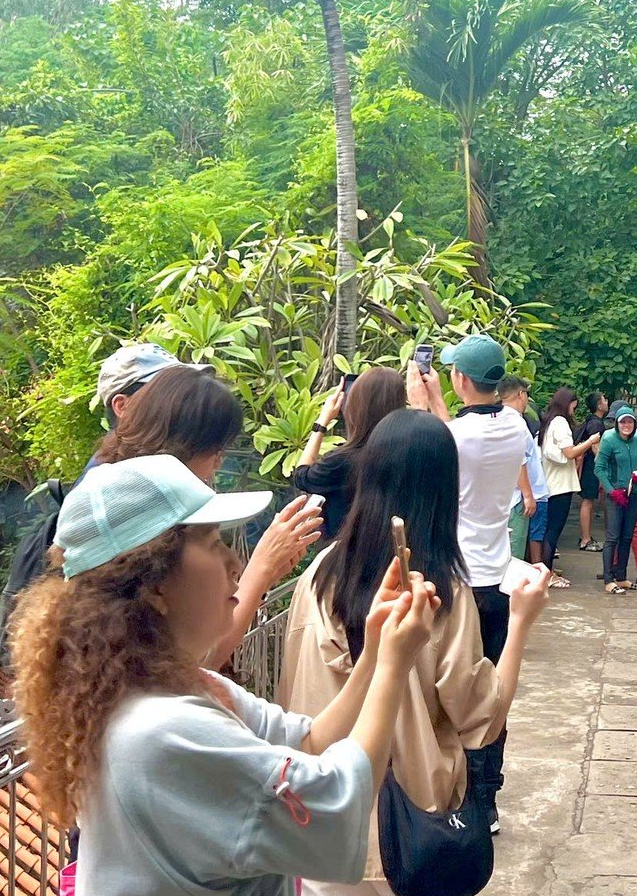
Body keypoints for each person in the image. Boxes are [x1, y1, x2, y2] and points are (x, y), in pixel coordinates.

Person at [9, 454, 438, 896]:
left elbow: (313, 740)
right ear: (153, 582)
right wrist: (398, 668)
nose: (235, 563)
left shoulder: (179, 692)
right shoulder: (161, 733)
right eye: (210, 543)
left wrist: (375, 650)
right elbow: (339, 804)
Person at [281, 411, 550, 896]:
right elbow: (480, 715)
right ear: (440, 486)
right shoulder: (439, 590)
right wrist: (519, 626)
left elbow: (291, 696)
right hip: (418, 813)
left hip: (326, 809)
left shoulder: (319, 577)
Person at [14, 339, 185, 896]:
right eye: (163, 393)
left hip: (109, 724)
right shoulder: (109, 493)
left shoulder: (135, 479)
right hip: (112, 724)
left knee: (95, 892)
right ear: (123, 405)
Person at [96, 364, 325, 666]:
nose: (218, 464)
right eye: (214, 451)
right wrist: (261, 570)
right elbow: (195, 663)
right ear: (179, 445)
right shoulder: (130, 516)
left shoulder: (134, 494)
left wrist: (267, 572)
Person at [409, 334, 533, 830]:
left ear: (460, 378)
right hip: (498, 579)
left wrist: (422, 404)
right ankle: (487, 798)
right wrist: (439, 402)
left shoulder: (454, 436)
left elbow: (441, 445)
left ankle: (455, 788)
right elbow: (459, 433)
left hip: (457, 581)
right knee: (492, 691)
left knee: (449, 691)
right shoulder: (517, 425)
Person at [294, 365, 409, 543]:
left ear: (355, 407)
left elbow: (302, 476)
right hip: (396, 552)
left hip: (344, 558)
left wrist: (322, 422)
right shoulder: (411, 453)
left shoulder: (341, 461)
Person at [594, 405, 637, 592]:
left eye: (630, 421)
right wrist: (612, 492)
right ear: (617, 423)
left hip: (632, 494)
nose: (626, 425)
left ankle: (621, 576)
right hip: (615, 495)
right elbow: (599, 468)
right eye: (623, 422)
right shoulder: (609, 440)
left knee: (627, 536)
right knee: (613, 537)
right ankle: (608, 579)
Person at [500, 376, 550, 575]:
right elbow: (519, 459)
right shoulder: (516, 423)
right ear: (521, 394)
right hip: (518, 497)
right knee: (515, 551)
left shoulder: (498, 418)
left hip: (508, 495)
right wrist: (528, 495)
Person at [536, 387, 591, 570]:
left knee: (549, 530)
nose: (573, 411)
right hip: (560, 486)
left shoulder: (550, 421)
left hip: (551, 483)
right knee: (553, 531)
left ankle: (547, 568)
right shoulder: (560, 422)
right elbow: (569, 452)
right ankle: (547, 571)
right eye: (573, 407)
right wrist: (589, 442)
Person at [574, 393, 610, 551]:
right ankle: (585, 539)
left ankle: (585, 536)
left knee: (589, 501)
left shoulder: (592, 420)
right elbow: (596, 447)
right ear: (599, 405)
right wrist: (603, 466)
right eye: (604, 400)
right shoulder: (596, 424)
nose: (607, 402)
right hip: (591, 467)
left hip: (589, 465)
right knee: (588, 502)